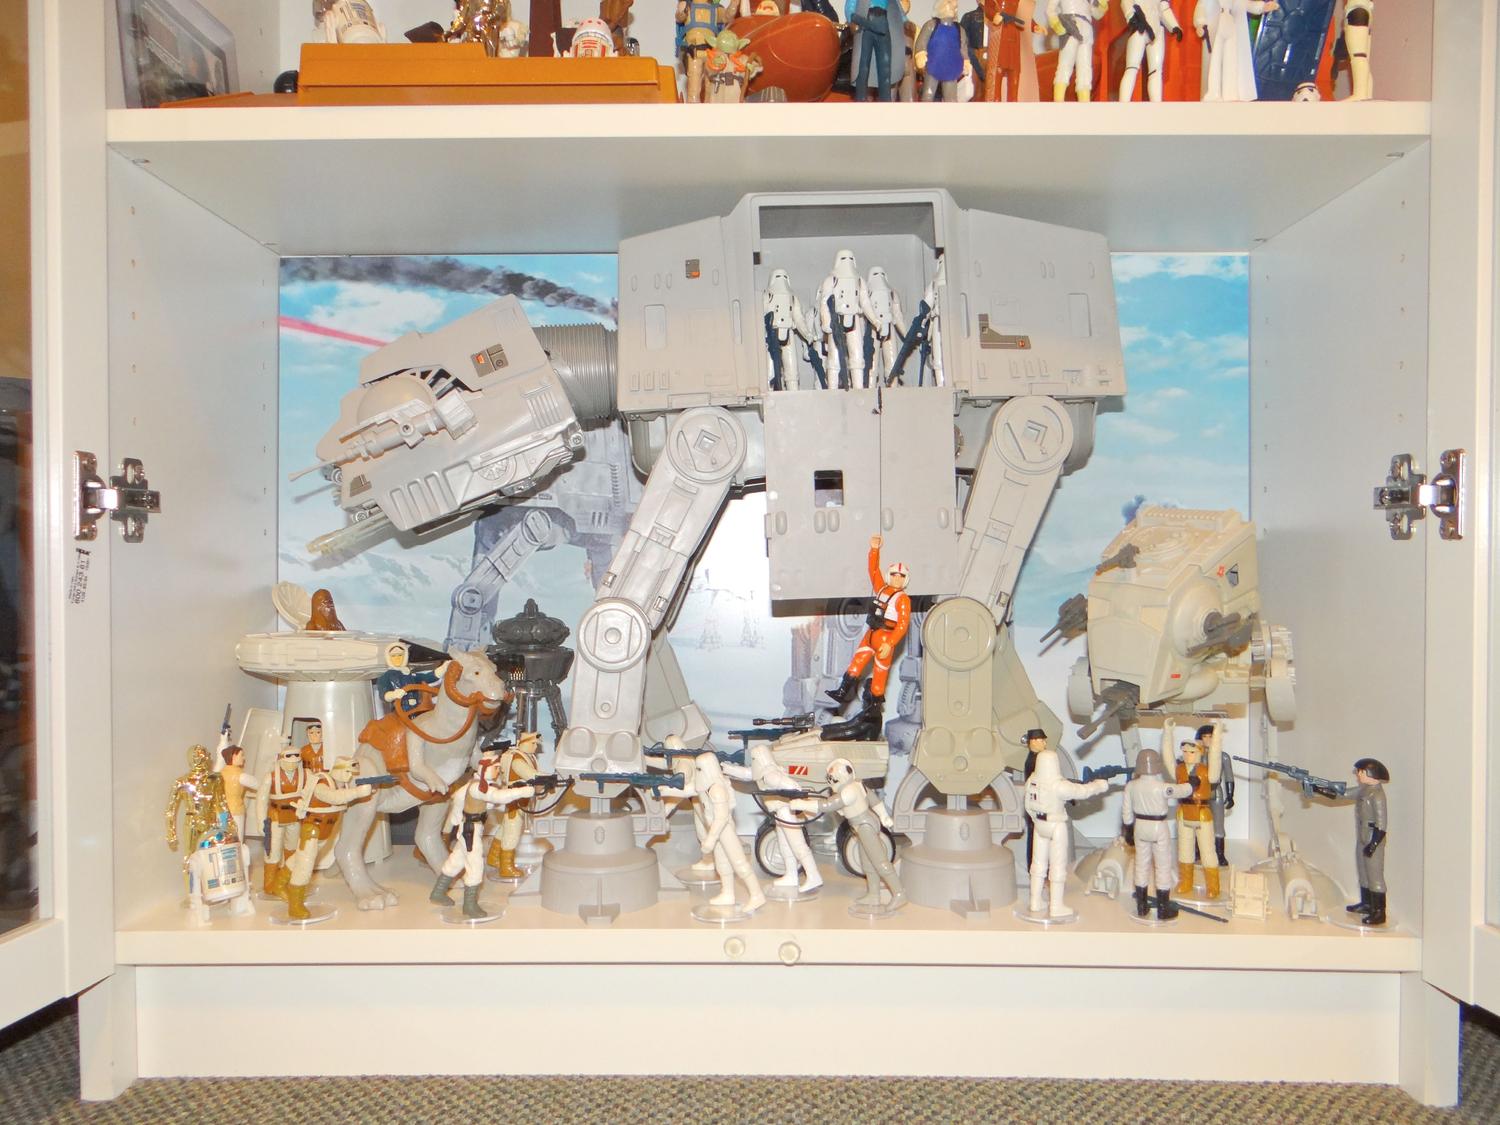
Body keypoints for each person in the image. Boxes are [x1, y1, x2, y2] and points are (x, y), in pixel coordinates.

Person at [431, 745, 537, 918]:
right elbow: (498, 796)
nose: (498, 771)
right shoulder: (478, 788)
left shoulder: (472, 786)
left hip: (468, 829)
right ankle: (469, 905)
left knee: (456, 861)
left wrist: (454, 822)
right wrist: (524, 791)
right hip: (471, 831)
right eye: (496, 768)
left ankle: (438, 892)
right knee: (475, 866)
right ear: (486, 769)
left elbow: (460, 801)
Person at [825, 534, 910, 741]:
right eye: (894, 574)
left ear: (905, 579)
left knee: (879, 676)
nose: (897, 578)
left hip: (885, 638)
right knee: (857, 662)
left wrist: (891, 643)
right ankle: (842, 691)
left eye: (901, 576)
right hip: (871, 633)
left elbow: (902, 624)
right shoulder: (882, 588)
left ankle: (873, 709)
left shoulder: (903, 599)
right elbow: (873, 570)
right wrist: (874, 550)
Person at [1024, 749, 1107, 918]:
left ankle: (1035, 901)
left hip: (1039, 825)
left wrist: (1035, 820)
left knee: (1038, 865)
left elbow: (1027, 805)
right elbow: (1083, 791)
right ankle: (1056, 906)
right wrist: (1100, 785)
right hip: (1056, 825)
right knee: (1058, 866)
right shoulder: (1059, 786)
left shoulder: (1032, 781)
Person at [1120, 747, 1193, 919]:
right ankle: (1162, 908)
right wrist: (1192, 784)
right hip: (1158, 827)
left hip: (1140, 826)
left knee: (1141, 865)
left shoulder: (1131, 786)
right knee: (1163, 866)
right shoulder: (1162, 787)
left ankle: (1141, 906)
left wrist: (1128, 830)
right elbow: (1181, 791)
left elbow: (1126, 811)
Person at [1347, 757, 1389, 926]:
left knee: (1375, 876)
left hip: (1373, 839)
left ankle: (1379, 912)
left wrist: (1374, 845)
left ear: (1370, 773)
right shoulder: (1364, 790)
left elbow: (1382, 824)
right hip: (1362, 837)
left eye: (1361, 772)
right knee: (1364, 873)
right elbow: (1344, 793)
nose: (1358, 775)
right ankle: (1367, 904)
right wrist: (1319, 788)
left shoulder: (1377, 795)